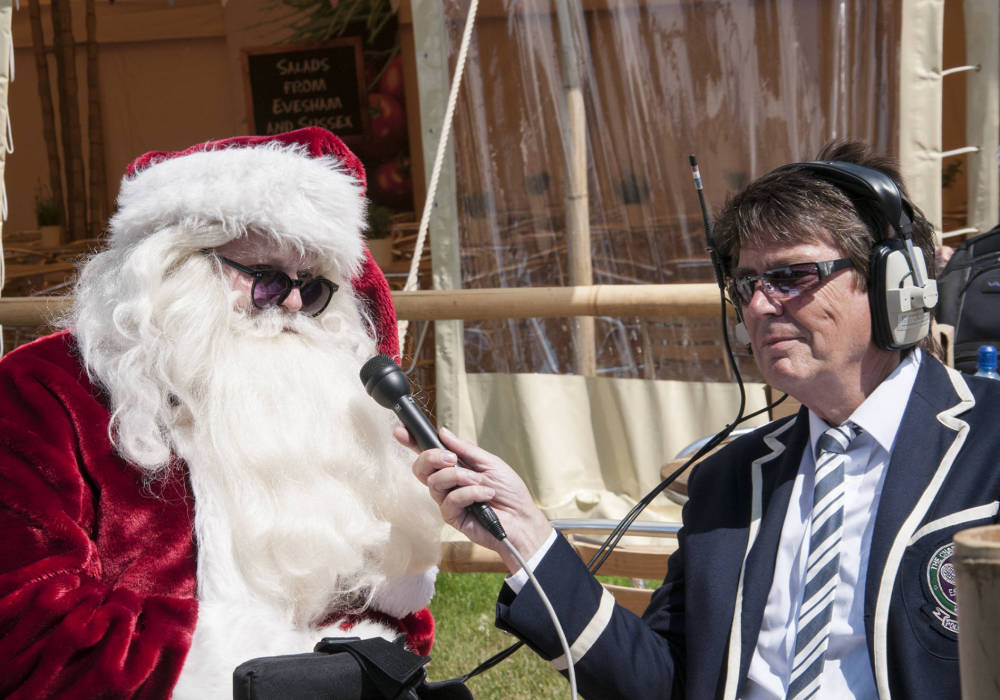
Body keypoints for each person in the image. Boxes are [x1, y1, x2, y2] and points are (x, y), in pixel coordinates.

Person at [404, 140, 1000, 699]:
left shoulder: (989, 444)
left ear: (896, 284)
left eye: (792, 276)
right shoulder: (730, 480)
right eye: (746, 284)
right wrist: (527, 537)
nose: (760, 306)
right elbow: (659, 680)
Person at [0, 127, 443, 699]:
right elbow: (27, 627)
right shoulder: (45, 390)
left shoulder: (321, 397)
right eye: (265, 278)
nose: (289, 305)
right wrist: (263, 678)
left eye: (310, 288)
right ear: (170, 268)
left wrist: (333, 675)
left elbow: (391, 619)